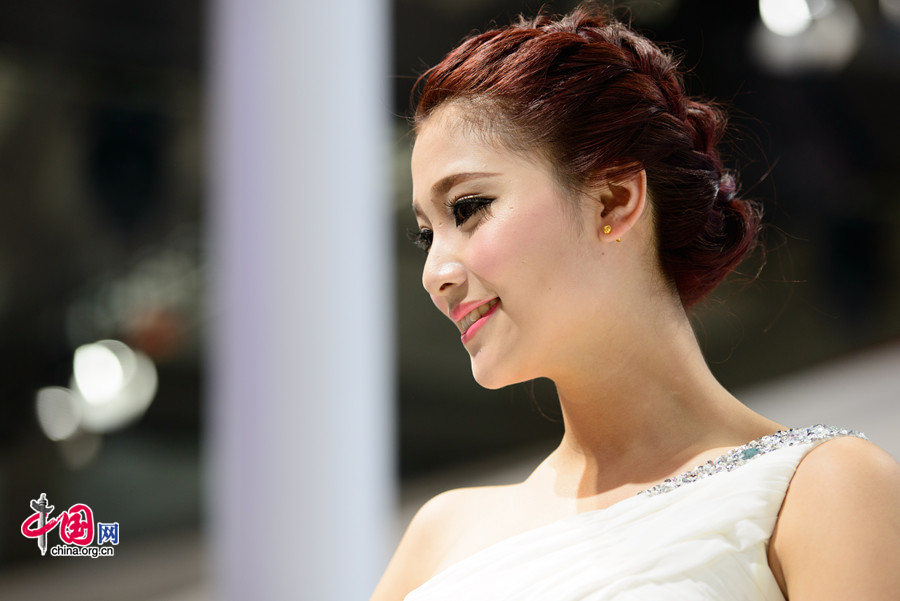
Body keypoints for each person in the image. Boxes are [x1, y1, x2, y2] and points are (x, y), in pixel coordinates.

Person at [371, 3, 900, 599]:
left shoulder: (823, 489)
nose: (433, 273)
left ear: (613, 200)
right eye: (425, 234)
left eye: (468, 208)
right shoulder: (440, 539)